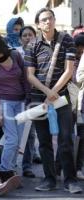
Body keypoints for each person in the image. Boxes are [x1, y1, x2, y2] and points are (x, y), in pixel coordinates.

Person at [25, 7, 82, 193]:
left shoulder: (67, 40)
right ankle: (49, 179)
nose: (48, 22)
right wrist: (46, 92)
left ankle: (70, 180)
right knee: (44, 141)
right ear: (38, 24)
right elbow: (30, 75)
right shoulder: (32, 45)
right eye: (43, 20)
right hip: (38, 98)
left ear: (55, 20)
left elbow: (69, 70)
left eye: (50, 18)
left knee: (66, 138)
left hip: (61, 97)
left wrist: (54, 92)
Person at [0, 31, 29, 182]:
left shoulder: (15, 55)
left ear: (1, 48)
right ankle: (4, 170)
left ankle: (12, 170)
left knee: (19, 139)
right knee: (12, 139)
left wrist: (28, 99)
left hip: (21, 101)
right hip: (4, 102)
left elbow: (25, 78)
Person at [18, 26, 41, 178]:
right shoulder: (15, 54)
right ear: (20, 39)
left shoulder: (41, 53)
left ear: (35, 36)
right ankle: (8, 167)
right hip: (16, 98)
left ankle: (27, 166)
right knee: (14, 135)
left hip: (35, 98)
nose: (27, 37)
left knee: (30, 133)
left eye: (30, 35)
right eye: (24, 35)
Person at [74, 32, 84, 180]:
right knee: (78, 137)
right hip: (77, 103)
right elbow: (78, 77)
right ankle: (76, 168)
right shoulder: (73, 59)